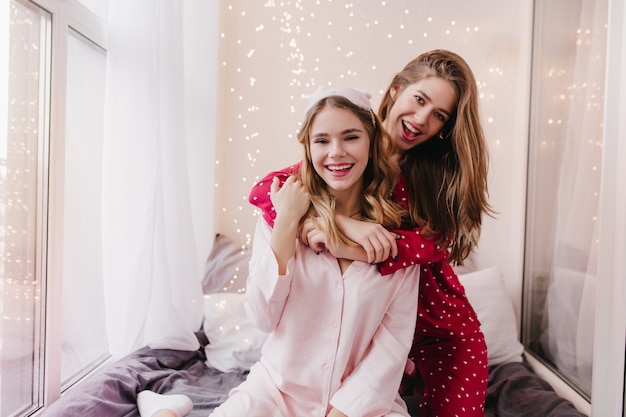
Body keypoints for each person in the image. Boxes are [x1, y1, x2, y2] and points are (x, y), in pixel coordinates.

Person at [138, 87, 421, 417]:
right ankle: (167, 410)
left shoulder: (398, 237)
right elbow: (262, 316)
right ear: (308, 147)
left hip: (364, 406)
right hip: (275, 393)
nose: (336, 152)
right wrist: (287, 221)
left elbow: (392, 345)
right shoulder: (279, 220)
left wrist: (342, 412)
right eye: (322, 140)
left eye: (351, 137)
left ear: (371, 142)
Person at [248, 49, 492, 417]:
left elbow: (423, 248)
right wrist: (344, 221)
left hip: (441, 329)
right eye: (419, 99)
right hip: (375, 323)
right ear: (396, 90)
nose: (422, 118)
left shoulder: (429, 178)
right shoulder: (345, 144)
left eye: (439, 115)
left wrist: (336, 238)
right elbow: (269, 192)